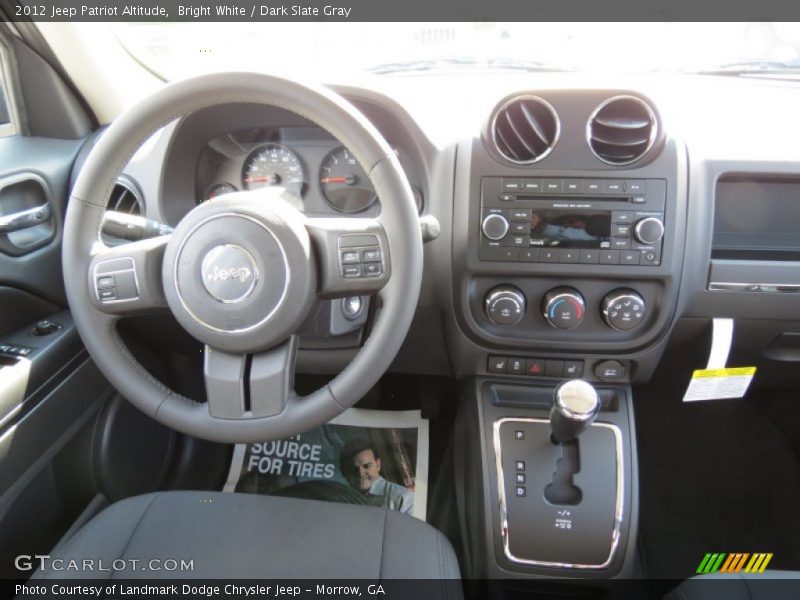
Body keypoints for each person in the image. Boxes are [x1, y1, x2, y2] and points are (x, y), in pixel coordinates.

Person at [339, 439, 414, 514]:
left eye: (367, 466)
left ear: (378, 465)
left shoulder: (403, 498)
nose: (360, 474)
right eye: (352, 468)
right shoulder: (340, 500)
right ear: (343, 472)